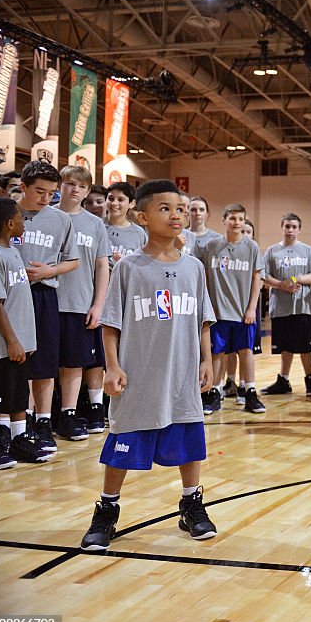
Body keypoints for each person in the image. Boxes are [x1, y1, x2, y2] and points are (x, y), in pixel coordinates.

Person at [79, 179, 217, 551]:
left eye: (181, 209)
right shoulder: (129, 268)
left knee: (189, 441)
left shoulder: (194, 268)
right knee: (123, 441)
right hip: (138, 376)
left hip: (183, 373)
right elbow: (111, 324)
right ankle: (106, 510)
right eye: (166, 208)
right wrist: (112, 367)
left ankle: (191, 504)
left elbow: (203, 319)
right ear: (142, 216)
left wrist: (206, 360)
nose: (176, 215)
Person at [0, 161, 79, 453]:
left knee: (42, 362)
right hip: (4, 297)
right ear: (22, 187)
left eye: (51, 192)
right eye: (40, 191)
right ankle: (1, 432)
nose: (46, 198)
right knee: (2, 363)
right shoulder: (0, 212)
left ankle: (41, 423)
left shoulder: (60, 220)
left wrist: (49, 271)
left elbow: (73, 260)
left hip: (42, 295)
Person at [0, 198, 49, 469]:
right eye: (20, 217)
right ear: (9, 224)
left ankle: (19, 439)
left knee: (18, 393)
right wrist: (13, 340)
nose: (24, 221)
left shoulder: (12, 252)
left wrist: (24, 340)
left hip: (17, 342)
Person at [54, 165, 111, 435]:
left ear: (87, 191)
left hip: (79, 302)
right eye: (69, 183)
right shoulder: (47, 217)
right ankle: (38, 417)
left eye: (81, 186)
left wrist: (98, 304)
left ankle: (69, 412)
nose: (75, 189)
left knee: (74, 362)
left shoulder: (95, 223)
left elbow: (102, 266)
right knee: (40, 365)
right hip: (45, 299)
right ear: (60, 186)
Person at [195, 204, 265, 415]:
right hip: (218, 311)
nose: (236, 223)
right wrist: (207, 306)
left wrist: (252, 307)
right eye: (232, 218)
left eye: (240, 219)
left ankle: (250, 390)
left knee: (246, 351)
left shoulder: (252, 247)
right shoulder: (211, 246)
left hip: (243, 311)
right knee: (217, 352)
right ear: (224, 220)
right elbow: (204, 277)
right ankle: (215, 391)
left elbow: (257, 278)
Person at [261, 213, 311, 397]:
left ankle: (310, 380)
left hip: (302, 306)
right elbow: (264, 276)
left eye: (294, 227)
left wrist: (295, 279)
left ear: (299, 229)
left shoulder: (308, 250)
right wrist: (281, 285)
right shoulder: (272, 251)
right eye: (287, 226)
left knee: (304, 346)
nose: (290, 230)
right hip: (280, 306)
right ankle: (283, 380)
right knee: (285, 346)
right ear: (282, 227)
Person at [104, 182, 147, 268]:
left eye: (120, 200)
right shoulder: (97, 225)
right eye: (111, 198)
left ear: (132, 203)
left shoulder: (139, 233)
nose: (114, 203)